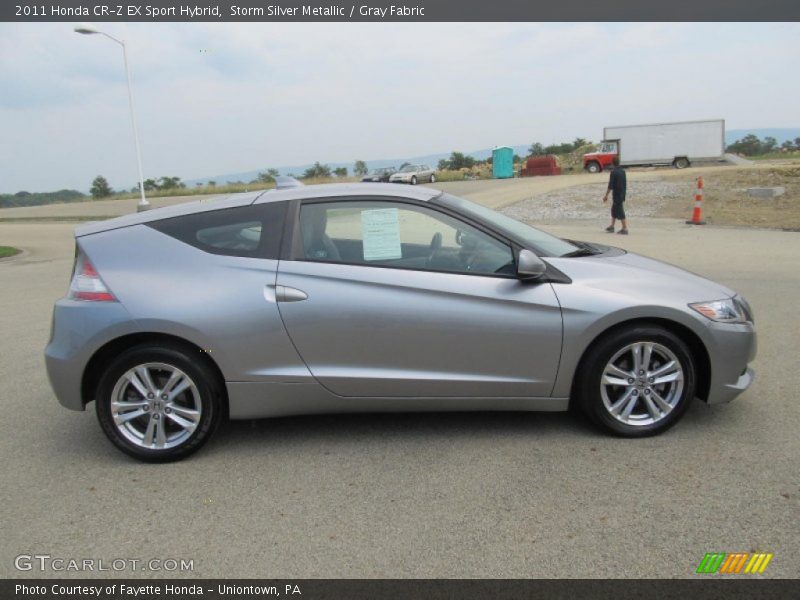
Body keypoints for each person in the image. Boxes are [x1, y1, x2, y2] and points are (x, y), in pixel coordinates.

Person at [603, 156, 628, 234]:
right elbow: (624, 183)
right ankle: (612, 226)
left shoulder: (613, 172)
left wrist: (606, 195)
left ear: (612, 163)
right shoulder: (623, 171)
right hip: (622, 193)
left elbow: (610, 185)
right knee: (614, 210)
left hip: (617, 194)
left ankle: (625, 228)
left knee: (620, 211)